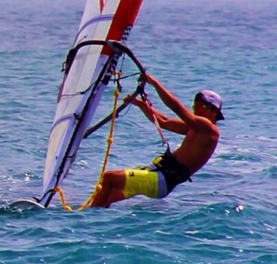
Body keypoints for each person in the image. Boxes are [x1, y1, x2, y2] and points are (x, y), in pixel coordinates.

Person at [88, 72, 223, 208]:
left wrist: (153, 82)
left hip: (161, 180)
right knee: (106, 194)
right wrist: (140, 104)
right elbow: (163, 121)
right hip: (156, 173)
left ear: (214, 112)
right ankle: (94, 216)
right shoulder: (194, 128)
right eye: (195, 107)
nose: (196, 111)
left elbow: (176, 107)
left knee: (108, 178)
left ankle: (89, 221)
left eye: (202, 107)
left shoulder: (209, 130)